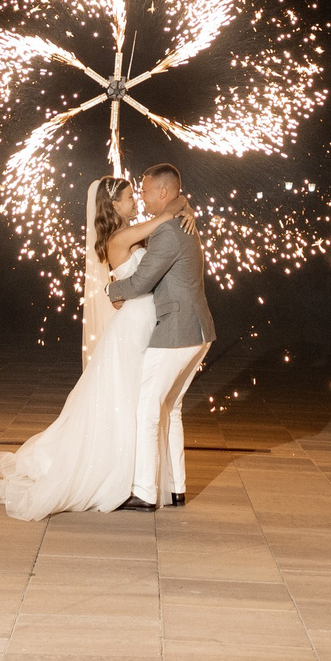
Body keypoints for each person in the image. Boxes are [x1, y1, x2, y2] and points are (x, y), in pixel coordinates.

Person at [0, 176, 171, 519]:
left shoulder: (127, 233)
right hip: (134, 323)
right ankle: (123, 473)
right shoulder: (119, 237)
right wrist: (175, 204)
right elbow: (162, 220)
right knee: (129, 397)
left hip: (140, 318)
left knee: (132, 396)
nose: (136, 201)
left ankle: (137, 472)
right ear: (114, 206)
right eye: (131, 197)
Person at [110, 162, 215, 511]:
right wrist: (183, 205)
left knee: (147, 405)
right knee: (171, 408)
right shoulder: (179, 222)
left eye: (145, 189)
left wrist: (112, 289)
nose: (141, 196)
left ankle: (143, 491)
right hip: (199, 330)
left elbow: (142, 282)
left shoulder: (169, 231)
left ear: (163, 193)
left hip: (177, 330)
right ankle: (176, 488)